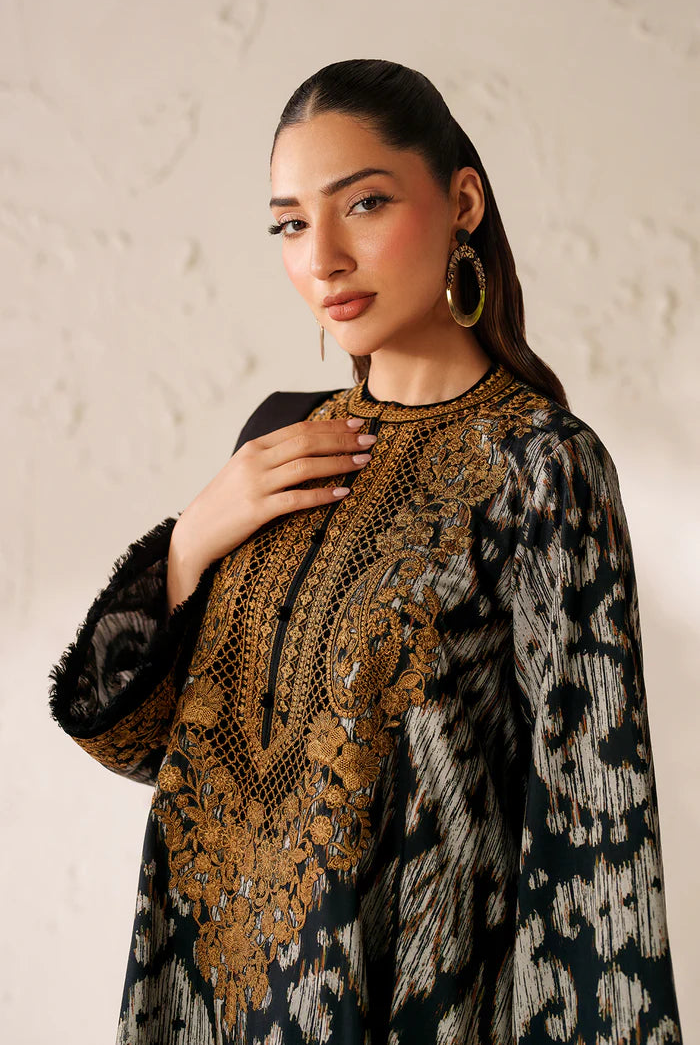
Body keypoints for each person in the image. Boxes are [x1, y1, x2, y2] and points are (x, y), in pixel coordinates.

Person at [48, 58, 684, 1045]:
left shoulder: (541, 466)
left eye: (365, 204)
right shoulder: (277, 443)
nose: (324, 258)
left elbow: (593, 838)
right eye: (290, 224)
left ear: (462, 202)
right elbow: (136, 741)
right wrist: (191, 539)